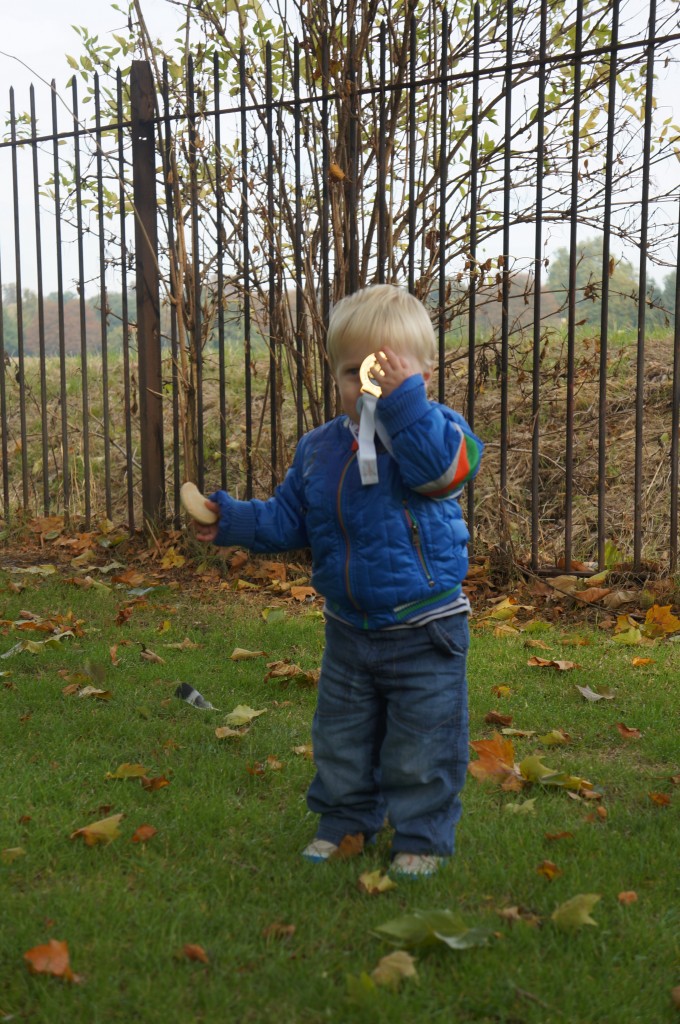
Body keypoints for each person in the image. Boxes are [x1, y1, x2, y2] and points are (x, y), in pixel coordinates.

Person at [192, 284, 483, 877]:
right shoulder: (321, 450)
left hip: (426, 629)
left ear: (424, 374)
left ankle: (421, 837)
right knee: (341, 740)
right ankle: (344, 823)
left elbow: (440, 476)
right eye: (355, 372)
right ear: (335, 376)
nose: (368, 387)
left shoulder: (438, 435)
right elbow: (289, 518)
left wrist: (406, 409)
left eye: (386, 373)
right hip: (350, 631)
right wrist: (236, 520)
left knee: (421, 745)